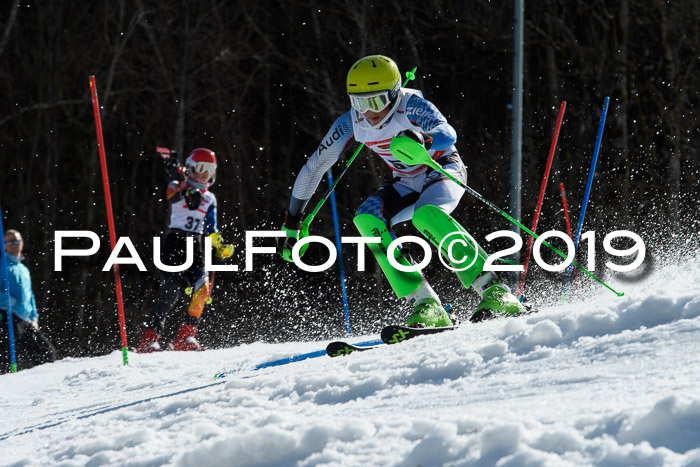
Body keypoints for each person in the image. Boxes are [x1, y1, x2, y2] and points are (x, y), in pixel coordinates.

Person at [279, 54, 527, 327]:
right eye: (359, 102)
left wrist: (423, 138)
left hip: (442, 169)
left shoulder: (411, 106)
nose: (368, 112)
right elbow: (315, 166)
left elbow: (448, 132)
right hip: (406, 181)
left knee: (426, 214)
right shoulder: (351, 122)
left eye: (376, 101)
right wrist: (293, 219)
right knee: (367, 218)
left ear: (395, 93)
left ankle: (497, 291)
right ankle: (426, 304)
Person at [136, 148, 233, 353]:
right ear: (190, 168)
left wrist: (219, 244)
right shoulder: (176, 185)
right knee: (170, 292)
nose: (206, 173)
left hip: (196, 245)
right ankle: (149, 338)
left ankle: (186, 336)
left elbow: (211, 227)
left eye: (210, 169)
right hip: (174, 242)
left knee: (203, 288)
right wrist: (184, 188)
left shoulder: (210, 198)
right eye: (201, 168)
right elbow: (172, 197)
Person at [0, 229, 57, 373]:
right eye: (9, 242)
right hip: (8, 317)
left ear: (21, 242)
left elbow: (29, 295)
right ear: (4, 245)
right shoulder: (3, 266)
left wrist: (34, 317)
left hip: (25, 319)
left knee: (47, 353)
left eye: (16, 241)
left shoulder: (24, 269)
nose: (13, 244)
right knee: (8, 359)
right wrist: (11, 302)